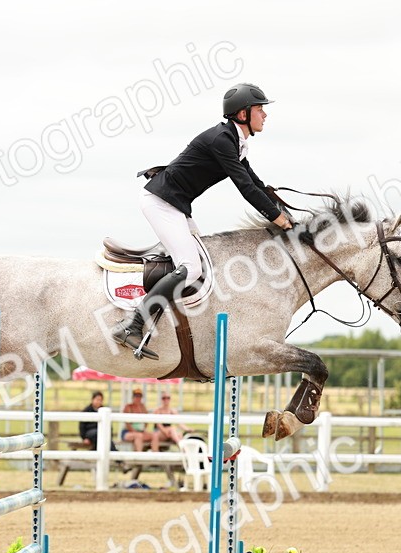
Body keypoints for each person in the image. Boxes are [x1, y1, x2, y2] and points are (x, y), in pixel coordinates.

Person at [112, 82, 295, 359]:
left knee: (204, 265)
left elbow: (256, 184)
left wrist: (283, 210)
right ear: (243, 113)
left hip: (176, 205)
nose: (265, 115)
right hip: (161, 202)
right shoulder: (222, 140)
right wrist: (277, 220)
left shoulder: (235, 141)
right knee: (191, 267)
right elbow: (244, 187)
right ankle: (132, 324)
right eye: (260, 109)